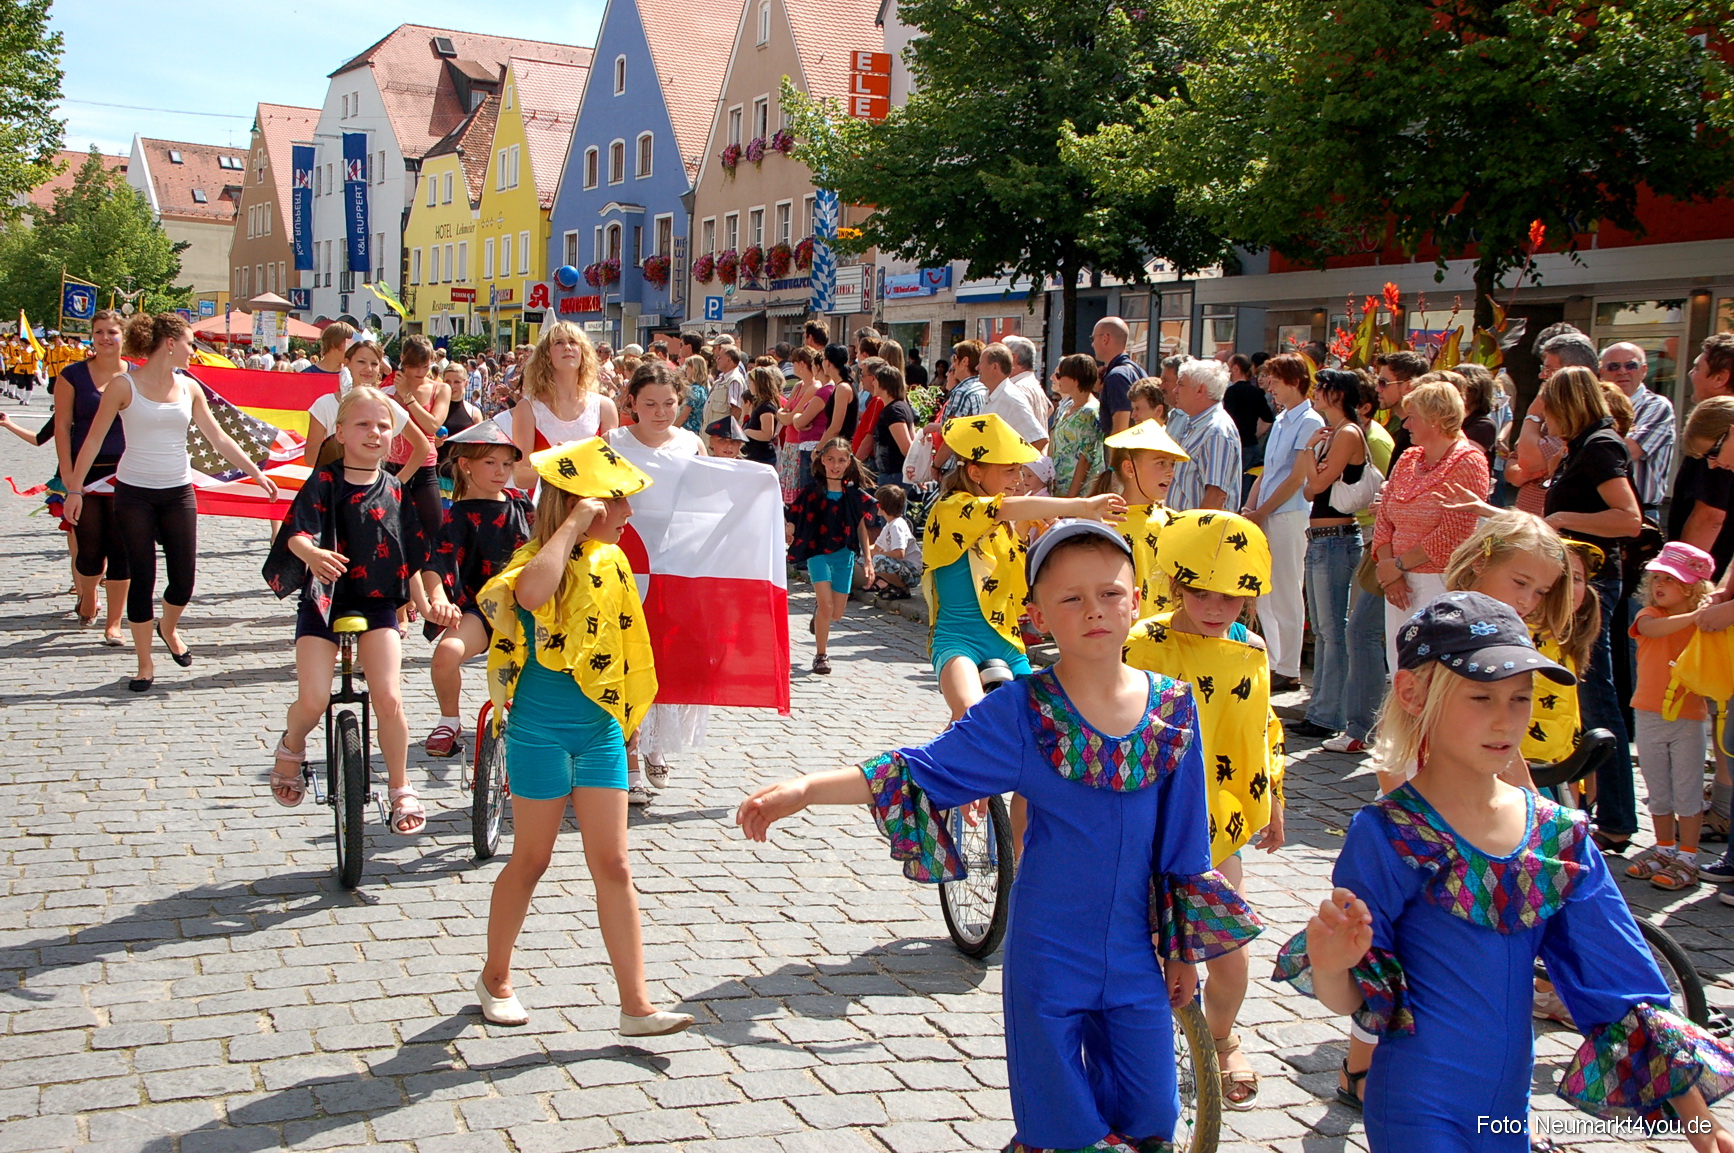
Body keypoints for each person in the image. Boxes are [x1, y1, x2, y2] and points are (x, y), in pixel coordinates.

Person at [737, 519, 1261, 1151]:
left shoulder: (1175, 710)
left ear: (1138, 602)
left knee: (1151, 1118)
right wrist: (806, 790)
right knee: (1061, 1125)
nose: (1093, 610)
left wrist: (1181, 949)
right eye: (1070, 598)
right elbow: (923, 771)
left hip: (1137, 955)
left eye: (1110, 593)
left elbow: (1185, 848)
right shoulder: (1022, 712)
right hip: (1049, 957)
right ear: (1036, 615)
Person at [1275, 593, 1734, 1153]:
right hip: (1418, 1105)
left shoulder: (1559, 838)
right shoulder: (1390, 834)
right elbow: (1357, 998)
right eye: (1481, 696)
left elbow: (1619, 980)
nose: (1505, 718)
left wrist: (1696, 1117)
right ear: (1413, 693)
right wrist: (1330, 966)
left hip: (1509, 1115)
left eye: (1521, 698)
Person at [472, 437, 694, 1039]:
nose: (627, 516)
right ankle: (495, 978)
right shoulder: (534, 554)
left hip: (597, 733)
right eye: (617, 504)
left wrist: (626, 727)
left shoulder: (614, 563)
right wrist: (571, 524)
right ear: (585, 505)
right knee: (531, 859)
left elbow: (627, 650)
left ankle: (636, 1005)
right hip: (539, 733)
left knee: (614, 863)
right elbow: (531, 595)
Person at [1123, 510, 1284, 1111]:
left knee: (1231, 956)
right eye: (1201, 592)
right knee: (1138, 947)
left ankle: (1221, 1036)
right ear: (1176, 585)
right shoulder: (1144, 642)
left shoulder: (1252, 651)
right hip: (1145, 815)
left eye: (1233, 596)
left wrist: (1273, 797)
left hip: (1219, 821)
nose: (1217, 607)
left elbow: (1262, 728)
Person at [261, 386, 459, 827]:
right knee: (312, 699)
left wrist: (425, 604)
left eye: (383, 426)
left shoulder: (395, 488)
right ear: (342, 432)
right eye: (363, 425)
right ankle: (292, 744)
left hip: (377, 604)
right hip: (324, 603)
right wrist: (310, 554)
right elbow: (297, 530)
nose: (374, 433)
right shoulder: (325, 480)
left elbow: (411, 554)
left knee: (389, 697)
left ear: (395, 436)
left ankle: (400, 788)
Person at [65, 313, 280, 691]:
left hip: (178, 491)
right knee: (142, 577)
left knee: (183, 580)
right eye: (189, 342)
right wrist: (75, 489)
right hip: (133, 493)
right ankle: (144, 663)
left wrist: (256, 471)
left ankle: (169, 626)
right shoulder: (123, 385)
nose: (193, 349)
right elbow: (94, 438)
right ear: (169, 343)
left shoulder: (190, 387)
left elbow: (219, 438)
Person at [923, 413, 1125, 721]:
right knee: (970, 711)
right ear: (976, 472)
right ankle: (938, 768)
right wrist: (1081, 506)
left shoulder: (1005, 524)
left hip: (1006, 642)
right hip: (957, 639)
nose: (1018, 480)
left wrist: (1034, 533)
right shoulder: (952, 507)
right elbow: (1001, 509)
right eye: (1010, 471)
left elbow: (1017, 589)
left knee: (1042, 720)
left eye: (1020, 470)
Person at [1539, 365, 1642, 853]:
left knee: (1598, 697)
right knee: (1584, 695)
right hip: (1576, 582)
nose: (1541, 415)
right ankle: (1593, 809)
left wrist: (1562, 518)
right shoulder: (1582, 446)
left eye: (1547, 405)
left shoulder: (1601, 446)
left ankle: (1618, 817)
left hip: (1595, 586)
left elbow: (1628, 519)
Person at [607, 362, 707, 804]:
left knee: (665, 654)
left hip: (676, 564)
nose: (660, 411)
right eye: (649, 404)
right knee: (627, 654)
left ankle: (656, 744)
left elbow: (707, 503)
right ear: (631, 403)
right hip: (626, 560)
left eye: (669, 403)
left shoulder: (692, 444)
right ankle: (627, 750)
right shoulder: (613, 443)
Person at [422, 421, 533, 759]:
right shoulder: (456, 515)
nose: (500, 471)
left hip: (529, 606)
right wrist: (438, 598)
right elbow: (434, 563)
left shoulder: (521, 504)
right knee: (446, 654)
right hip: (480, 609)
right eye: (490, 462)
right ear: (465, 465)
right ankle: (449, 720)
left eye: (506, 464)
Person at [1370, 380, 1490, 672]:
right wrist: (1390, 570)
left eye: (1413, 416)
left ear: (1434, 420)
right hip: (1398, 582)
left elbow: (1453, 534)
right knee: (1402, 665)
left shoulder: (1469, 462)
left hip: (1440, 582)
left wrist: (1396, 566)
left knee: (1433, 667)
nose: (1405, 422)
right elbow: (1385, 515)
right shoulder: (1409, 457)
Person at [1619, 542, 1717, 892]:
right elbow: (1651, 632)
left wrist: (1708, 615)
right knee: (1658, 790)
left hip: (1689, 715)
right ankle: (1663, 849)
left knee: (1688, 790)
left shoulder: (1705, 623)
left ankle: (1688, 856)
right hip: (1648, 714)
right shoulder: (1649, 615)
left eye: (1670, 580)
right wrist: (1695, 617)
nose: (1658, 585)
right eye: (1656, 578)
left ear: (1692, 588)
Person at [1292, 368, 1371, 738]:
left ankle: (1328, 714)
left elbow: (1318, 482)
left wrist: (1309, 450)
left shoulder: (1349, 433)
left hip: (1337, 537)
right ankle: (1320, 708)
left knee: (1332, 630)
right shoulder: (1331, 434)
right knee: (1324, 630)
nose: (1317, 393)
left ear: (1337, 394)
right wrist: (1313, 452)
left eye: (1322, 388)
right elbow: (1309, 491)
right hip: (1322, 536)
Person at [1243, 353, 1325, 692]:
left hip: (1289, 513)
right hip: (1268, 512)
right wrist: (1251, 508)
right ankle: (1276, 660)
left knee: (1288, 588)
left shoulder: (1309, 421)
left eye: (1275, 381)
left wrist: (1263, 511)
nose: (1270, 387)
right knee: (1266, 591)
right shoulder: (1282, 419)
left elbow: (1296, 477)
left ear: (1294, 381)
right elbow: (1269, 471)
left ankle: (1289, 666)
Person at [51, 310, 131, 645]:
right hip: (85, 472)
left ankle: (114, 622)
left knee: (122, 549)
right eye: (98, 332)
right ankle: (88, 596)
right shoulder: (72, 376)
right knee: (89, 550)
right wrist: (70, 479)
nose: (104, 338)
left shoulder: (137, 376)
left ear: (123, 336)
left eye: (111, 332)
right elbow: (62, 427)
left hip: (128, 472)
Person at [786, 438, 875, 676]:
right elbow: (795, 516)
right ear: (822, 460)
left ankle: (820, 615)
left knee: (835, 613)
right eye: (831, 459)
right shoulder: (812, 491)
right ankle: (821, 655)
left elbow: (861, 528)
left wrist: (868, 559)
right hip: (818, 552)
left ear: (849, 463)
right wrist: (789, 530)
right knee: (826, 605)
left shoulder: (854, 494)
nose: (835, 465)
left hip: (844, 554)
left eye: (841, 460)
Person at [510, 322, 620, 489]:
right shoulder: (528, 408)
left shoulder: (604, 407)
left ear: (583, 352)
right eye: (559, 342)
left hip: (593, 506)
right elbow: (520, 475)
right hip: (546, 510)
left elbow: (612, 468)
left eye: (573, 342)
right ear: (546, 355)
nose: (567, 347)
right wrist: (563, 471)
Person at [1098, 418, 1190, 613]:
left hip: (1170, 634)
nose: (1170, 472)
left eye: (1172, 464)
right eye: (1161, 463)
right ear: (1130, 469)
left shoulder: (1176, 522)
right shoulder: (1105, 522)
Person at [303, 340, 430, 472]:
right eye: (361, 362)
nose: (368, 369)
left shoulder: (386, 405)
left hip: (370, 488)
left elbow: (422, 446)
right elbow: (310, 457)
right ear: (347, 363)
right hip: (333, 486)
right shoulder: (324, 404)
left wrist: (396, 483)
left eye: (374, 364)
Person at [386, 336, 451, 544]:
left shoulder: (440, 388)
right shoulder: (388, 387)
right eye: (413, 367)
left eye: (425, 366)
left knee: (431, 531)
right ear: (403, 359)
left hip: (424, 467)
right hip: (392, 464)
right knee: (391, 531)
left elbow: (432, 425)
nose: (419, 373)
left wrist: (408, 398)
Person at [1166, 358, 1241, 512]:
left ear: (1200, 390)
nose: (1175, 390)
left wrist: (1200, 533)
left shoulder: (1216, 432)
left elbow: (1216, 497)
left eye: (1180, 384)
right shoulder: (1193, 423)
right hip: (1179, 527)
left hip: (1197, 531)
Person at [1049, 353, 1104, 499]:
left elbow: (1085, 458)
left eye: (1061, 375)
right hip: (1058, 486)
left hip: (1075, 493)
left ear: (1074, 379)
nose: (1056, 379)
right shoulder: (1069, 406)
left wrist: (1071, 500)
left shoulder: (1088, 412)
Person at [1224, 353, 1274, 505]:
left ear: (1236, 368)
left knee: (1232, 487)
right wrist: (1255, 434)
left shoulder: (1230, 392)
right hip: (1252, 445)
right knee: (1247, 488)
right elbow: (1268, 418)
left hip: (1237, 446)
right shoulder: (1256, 392)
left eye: (1228, 367)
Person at [777, 347, 828, 498]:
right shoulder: (798, 385)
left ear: (801, 364)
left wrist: (787, 416)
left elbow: (791, 416)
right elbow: (784, 413)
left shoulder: (815, 387)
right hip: (789, 442)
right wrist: (785, 415)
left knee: (799, 492)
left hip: (799, 445)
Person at [862, 361, 915, 486]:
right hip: (893, 475)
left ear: (884, 384)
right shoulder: (900, 406)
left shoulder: (893, 411)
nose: (873, 383)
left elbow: (906, 447)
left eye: (876, 380)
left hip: (894, 476)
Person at [864, 483, 920, 596]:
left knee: (879, 560)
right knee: (864, 557)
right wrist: (863, 551)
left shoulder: (897, 525)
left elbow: (899, 553)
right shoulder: (888, 526)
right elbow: (876, 547)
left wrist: (880, 554)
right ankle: (889, 584)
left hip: (912, 572)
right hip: (901, 567)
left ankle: (902, 588)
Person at [1092, 316, 1139, 437]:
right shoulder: (1135, 370)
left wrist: (1114, 456)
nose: (1092, 344)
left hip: (1123, 454)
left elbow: (1120, 432)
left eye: (1093, 338)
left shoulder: (1117, 376)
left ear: (1105, 338)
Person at [738, 366, 781, 467]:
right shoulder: (759, 404)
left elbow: (767, 434)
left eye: (751, 383)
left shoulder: (766, 407)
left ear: (758, 384)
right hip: (754, 455)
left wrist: (746, 431)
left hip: (762, 458)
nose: (749, 386)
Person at [678, 354, 709, 435]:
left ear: (694, 369)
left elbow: (683, 416)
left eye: (687, 367)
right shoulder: (702, 388)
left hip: (687, 432)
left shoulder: (694, 390)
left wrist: (672, 428)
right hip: (697, 431)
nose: (685, 370)